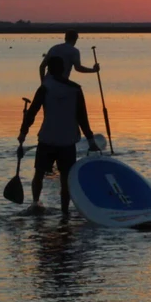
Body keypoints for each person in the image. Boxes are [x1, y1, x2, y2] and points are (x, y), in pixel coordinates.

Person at [18, 56, 100, 214]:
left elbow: (32, 112)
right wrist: (90, 140)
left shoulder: (44, 88)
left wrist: (23, 132)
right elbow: (82, 117)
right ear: (63, 70)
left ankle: (35, 202)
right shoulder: (76, 89)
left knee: (39, 173)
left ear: (48, 70)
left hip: (47, 139)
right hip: (67, 141)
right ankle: (64, 211)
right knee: (65, 178)